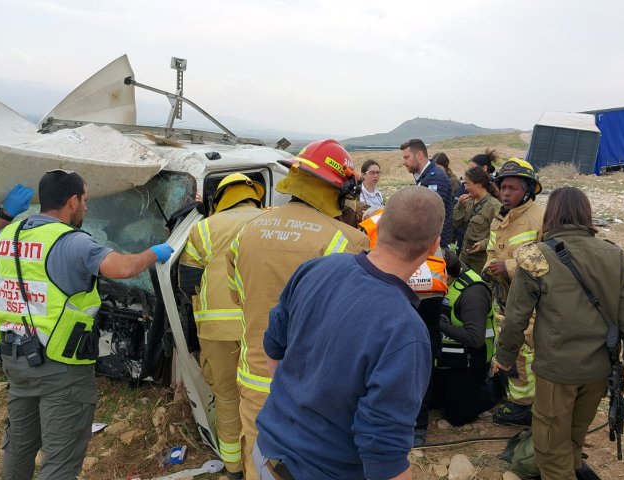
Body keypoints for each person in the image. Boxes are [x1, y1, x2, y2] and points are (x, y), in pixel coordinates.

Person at [0, 172, 174, 480]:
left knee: (20, 446)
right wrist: (155, 252)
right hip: (61, 367)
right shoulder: (73, 242)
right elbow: (123, 267)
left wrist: (4, 215)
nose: (86, 208)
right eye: (85, 201)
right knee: (61, 461)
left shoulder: (10, 235)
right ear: (72, 201)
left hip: (16, 360)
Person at [254, 186, 445, 480]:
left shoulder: (316, 268)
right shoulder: (406, 332)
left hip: (267, 453)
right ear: (434, 247)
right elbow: (385, 454)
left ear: (379, 227)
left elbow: (273, 347)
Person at [227, 139, 369, 479]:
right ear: (339, 189)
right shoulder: (346, 240)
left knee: (257, 463)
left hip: (254, 377)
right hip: (312, 386)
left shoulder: (246, 230)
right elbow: (353, 325)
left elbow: (237, 297)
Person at [495, 186, 624, 480]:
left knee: (551, 449)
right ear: (585, 214)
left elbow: (516, 318)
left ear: (551, 215)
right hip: (599, 368)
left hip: (557, 371)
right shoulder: (613, 254)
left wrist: (504, 356)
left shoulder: (533, 257)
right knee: (575, 434)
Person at [178, 173, 266, 478]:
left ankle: (233, 468)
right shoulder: (272, 221)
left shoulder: (203, 229)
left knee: (228, 399)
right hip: (262, 331)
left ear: (220, 198)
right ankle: (266, 466)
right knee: (265, 400)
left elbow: (187, 282)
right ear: (254, 194)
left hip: (217, 333)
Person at [358, 204, 448, 446]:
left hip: (397, 289)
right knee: (424, 355)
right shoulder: (425, 222)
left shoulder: (374, 224)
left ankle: (393, 418)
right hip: (431, 290)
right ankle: (418, 425)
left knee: (388, 354)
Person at [484, 158, 544, 426]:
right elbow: (491, 250)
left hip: (530, 300)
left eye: (513, 188)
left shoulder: (539, 219)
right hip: (505, 297)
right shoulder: (500, 218)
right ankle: (517, 395)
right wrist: (489, 268)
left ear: (528, 190)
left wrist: (507, 267)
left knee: (523, 350)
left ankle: (523, 407)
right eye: (503, 187)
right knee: (509, 346)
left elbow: (547, 260)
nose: (506, 193)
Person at [434, 250, 503, 425]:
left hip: (468, 361)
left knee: (458, 415)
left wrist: (436, 322)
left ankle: (500, 384)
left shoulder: (472, 292)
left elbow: (475, 338)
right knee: (432, 402)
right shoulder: (437, 281)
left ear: (447, 274)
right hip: (441, 358)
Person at [401, 138, 454, 248]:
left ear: (419, 155)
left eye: (407, 157)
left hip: (434, 245)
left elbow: (428, 215)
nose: (404, 162)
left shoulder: (435, 178)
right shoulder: (425, 177)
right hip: (429, 243)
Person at [453, 167, 501, 274]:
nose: (466, 188)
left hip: (481, 260)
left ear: (479, 184)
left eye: (468, 184)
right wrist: (460, 206)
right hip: (464, 254)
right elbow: (456, 223)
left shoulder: (494, 206)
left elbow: (500, 235)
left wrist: (482, 244)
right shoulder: (468, 201)